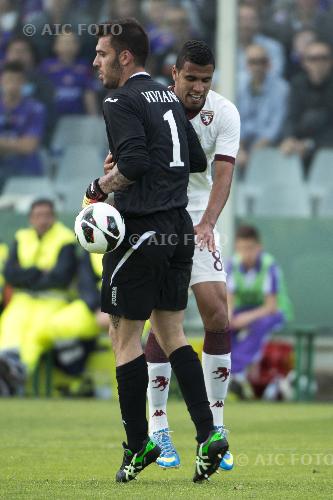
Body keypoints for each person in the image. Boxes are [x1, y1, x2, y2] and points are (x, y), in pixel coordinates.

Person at [84, 18, 228, 483]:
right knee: (172, 332)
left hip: (141, 230)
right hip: (178, 230)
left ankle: (136, 443)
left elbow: (135, 163)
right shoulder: (167, 98)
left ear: (126, 57)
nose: (96, 62)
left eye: (103, 54)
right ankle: (208, 434)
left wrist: (98, 188)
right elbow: (198, 160)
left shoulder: (119, 99)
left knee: (123, 336)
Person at [144, 40, 240, 471]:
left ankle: (216, 428)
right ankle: (158, 427)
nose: (198, 87)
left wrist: (207, 224)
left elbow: (223, 177)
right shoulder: (152, 107)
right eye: (191, 78)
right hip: (159, 212)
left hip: (200, 214)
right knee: (164, 319)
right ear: (174, 73)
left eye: (206, 79)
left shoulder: (225, 113)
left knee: (217, 311)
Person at [0, 199, 77, 395]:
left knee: (36, 332)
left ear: (54, 217)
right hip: (23, 298)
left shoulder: (65, 238)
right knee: (9, 324)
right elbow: (9, 274)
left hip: (53, 300)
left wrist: (25, 275)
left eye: (47, 215)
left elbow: (61, 277)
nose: (43, 220)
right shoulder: (21, 237)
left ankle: (18, 372)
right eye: (38, 216)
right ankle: (5, 370)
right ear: (30, 219)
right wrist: (38, 272)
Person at [226, 225, 293, 399]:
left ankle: (236, 371)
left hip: (274, 312)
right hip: (245, 311)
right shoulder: (232, 265)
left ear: (259, 247)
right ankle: (225, 372)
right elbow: (229, 303)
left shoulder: (268, 265)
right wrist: (230, 319)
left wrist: (245, 318)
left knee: (259, 325)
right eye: (241, 249)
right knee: (225, 326)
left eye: (249, 248)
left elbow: (270, 306)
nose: (245, 253)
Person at [280, 41, 333, 175]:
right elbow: (291, 116)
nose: (319, 63)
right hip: (299, 151)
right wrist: (289, 137)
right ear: (305, 63)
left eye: (324, 58)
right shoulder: (298, 84)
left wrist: (309, 144)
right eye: (313, 59)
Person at [237, 44, 289, 171]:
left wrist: (254, 152)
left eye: (262, 62)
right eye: (253, 62)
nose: (258, 67)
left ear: (269, 64)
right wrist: (239, 147)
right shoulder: (237, 84)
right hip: (240, 144)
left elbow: (275, 126)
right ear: (247, 65)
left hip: (268, 146)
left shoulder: (281, 88)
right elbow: (233, 120)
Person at [0, 62, 46, 191]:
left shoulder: (35, 109)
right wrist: (16, 144)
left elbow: (28, 147)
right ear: (1, 81)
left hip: (26, 172)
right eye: (8, 80)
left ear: (24, 83)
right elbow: (22, 145)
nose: (12, 85)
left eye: (17, 80)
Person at [39, 31, 98, 118]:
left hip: (77, 118)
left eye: (72, 42)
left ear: (78, 46)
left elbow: (88, 92)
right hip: (52, 118)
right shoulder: (46, 66)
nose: (68, 45)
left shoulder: (84, 66)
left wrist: (93, 117)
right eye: (64, 42)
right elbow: (40, 93)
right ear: (55, 46)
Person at [238, 3, 285, 83]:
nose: (246, 24)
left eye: (251, 19)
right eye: (241, 19)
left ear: (258, 22)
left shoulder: (273, 47)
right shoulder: (226, 47)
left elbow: (274, 76)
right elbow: (217, 76)